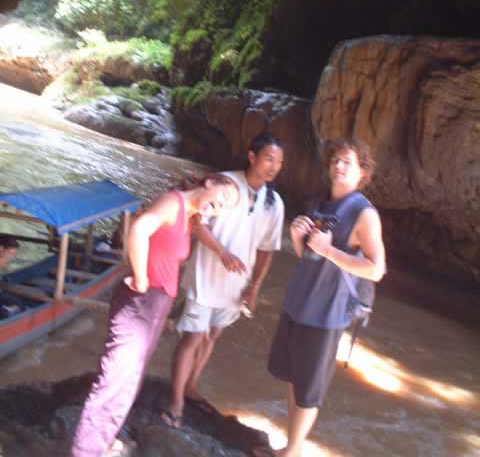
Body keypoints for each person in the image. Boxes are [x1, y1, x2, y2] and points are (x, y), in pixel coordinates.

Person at [70, 173, 240, 457]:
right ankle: (84, 451)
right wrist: (140, 278)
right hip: (141, 300)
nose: (220, 206)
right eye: (223, 197)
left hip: (157, 302)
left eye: (226, 207)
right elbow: (139, 229)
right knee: (115, 379)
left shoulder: (190, 214)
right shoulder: (173, 202)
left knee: (130, 378)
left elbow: (185, 237)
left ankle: (102, 442)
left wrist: (222, 252)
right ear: (209, 183)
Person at [266, 137, 386, 457]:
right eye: (336, 160)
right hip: (298, 303)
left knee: (309, 389)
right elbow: (309, 256)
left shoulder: (364, 214)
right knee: (295, 378)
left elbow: (376, 269)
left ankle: (292, 451)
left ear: (363, 173)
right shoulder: (319, 202)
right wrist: (296, 237)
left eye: (348, 162)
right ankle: (290, 447)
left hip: (327, 313)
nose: (339, 165)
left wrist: (329, 250)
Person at [161, 132, 285, 429]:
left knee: (213, 335)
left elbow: (266, 250)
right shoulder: (224, 183)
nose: (274, 167)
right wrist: (222, 252)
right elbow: (196, 222)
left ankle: (191, 386)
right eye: (269, 158)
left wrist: (254, 288)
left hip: (236, 286)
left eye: (279, 162)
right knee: (193, 337)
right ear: (252, 157)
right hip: (205, 277)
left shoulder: (274, 204)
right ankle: (176, 402)